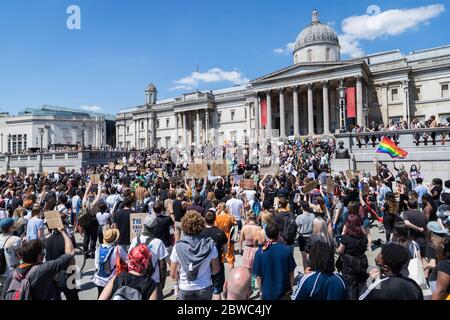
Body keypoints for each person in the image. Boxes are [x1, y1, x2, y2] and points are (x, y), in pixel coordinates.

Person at [1, 228, 75, 300]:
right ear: (37, 256)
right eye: (42, 253)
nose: (43, 255)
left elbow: (4, 295)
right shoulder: (44, 268)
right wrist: (63, 232)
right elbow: (70, 252)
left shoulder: (12, 274)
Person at [170, 211, 220, 300]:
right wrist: (207, 273)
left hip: (185, 287)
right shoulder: (210, 244)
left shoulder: (178, 247)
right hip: (204, 286)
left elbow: (173, 274)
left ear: (184, 226)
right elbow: (216, 269)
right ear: (201, 225)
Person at [359, 243, 423, 300]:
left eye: (377, 262)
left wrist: (370, 279)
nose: (376, 259)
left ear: (386, 268)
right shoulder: (413, 284)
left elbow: (361, 297)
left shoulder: (380, 286)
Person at [129, 213, 168, 299]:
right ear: (155, 228)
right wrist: (162, 282)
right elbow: (162, 265)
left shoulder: (135, 240)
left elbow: (130, 259)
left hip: (138, 279)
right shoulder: (158, 242)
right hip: (154, 281)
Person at [253, 223, 296, 300]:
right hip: (284, 293)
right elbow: (291, 273)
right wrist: (291, 288)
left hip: (267, 294)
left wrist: (261, 291)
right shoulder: (286, 250)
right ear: (279, 234)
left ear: (266, 235)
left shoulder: (259, 252)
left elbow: (258, 277)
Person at [336, 215, 369, 300]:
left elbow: (340, 251)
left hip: (349, 264)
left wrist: (342, 235)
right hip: (361, 262)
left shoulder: (345, 237)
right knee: (361, 285)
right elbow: (365, 248)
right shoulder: (364, 236)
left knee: (351, 288)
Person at [200, 209, 228, 300]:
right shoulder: (220, 232)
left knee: (204, 290)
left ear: (204, 219)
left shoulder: (200, 233)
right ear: (215, 219)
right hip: (218, 263)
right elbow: (225, 249)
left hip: (203, 265)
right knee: (217, 290)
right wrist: (223, 256)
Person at [93, 229, 127, 297]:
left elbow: (96, 265)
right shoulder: (117, 248)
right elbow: (127, 260)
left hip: (98, 279)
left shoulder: (98, 248)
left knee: (100, 296)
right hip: (111, 280)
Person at [0, 218, 21, 286]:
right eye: (13, 224)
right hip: (11, 272)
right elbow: (19, 257)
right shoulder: (16, 240)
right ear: (10, 228)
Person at [216, 203, 237, 269]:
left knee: (219, 258)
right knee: (230, 258)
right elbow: (235, 225)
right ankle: (231, 276)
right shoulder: (230, 216)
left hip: (219, 236)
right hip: (228, 237)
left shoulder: (216, 217)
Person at [295, 201, 315, 271]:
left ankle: (305, 271)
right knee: (311, 255)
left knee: (304, 256)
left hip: (302, 237)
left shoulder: (299, 217)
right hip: (311, 236)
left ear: (302, 208)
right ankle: (311, 269)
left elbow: (296, 226)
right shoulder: (313, 216)